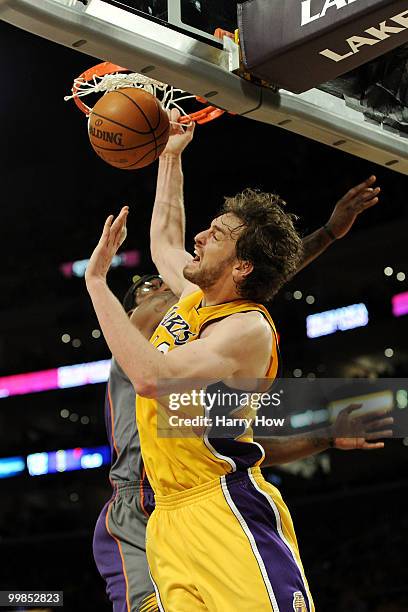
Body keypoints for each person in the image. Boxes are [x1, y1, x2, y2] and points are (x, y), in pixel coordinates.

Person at [86, 116, 386, 611]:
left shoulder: (247, 329)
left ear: (242, 266)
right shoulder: (192, 297)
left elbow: (148, 378)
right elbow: (164, 238)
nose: (201, 236)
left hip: (223, 505)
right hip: (166, 520)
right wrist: (171, 155)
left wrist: (98, 284)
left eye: (218, 234)